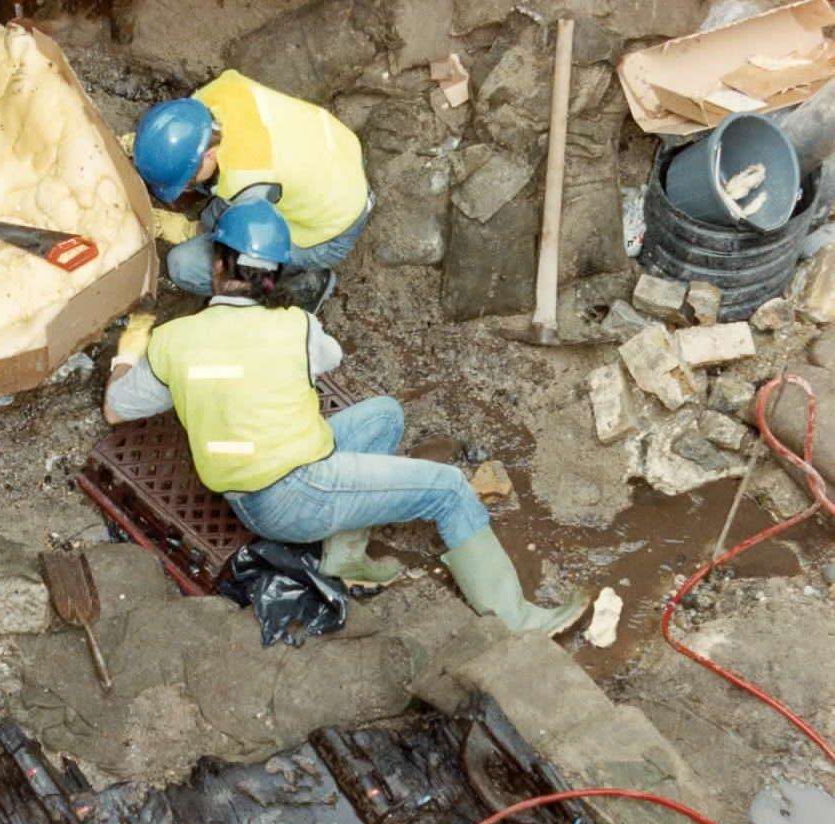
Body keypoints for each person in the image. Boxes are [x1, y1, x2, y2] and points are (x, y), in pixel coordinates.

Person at [104, 199, 589, 636]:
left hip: (247, 489)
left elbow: (117, 407)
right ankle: (518, 622)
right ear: (274, 276)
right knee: (449, 490)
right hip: (295, 492)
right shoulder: (296, 326)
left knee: (384, 416)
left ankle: (345, 556)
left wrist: (128, 350)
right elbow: (329, 357)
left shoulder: (174, 340)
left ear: (216, 265)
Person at [131, 70, 372, 311]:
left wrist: (196, 229)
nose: (186, 186)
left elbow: (246, 230)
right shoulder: (213, 95)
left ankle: (299, 285)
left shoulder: (248, 180)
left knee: (184, 266)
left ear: (209, 154)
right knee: (219, 193)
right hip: (339, 156)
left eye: (188, 180)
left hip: (327, 232)